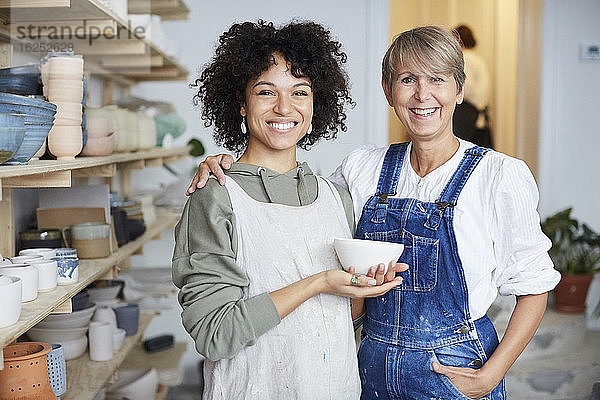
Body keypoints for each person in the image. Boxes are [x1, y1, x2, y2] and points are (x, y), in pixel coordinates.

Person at [187, 25, 561, 400]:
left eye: (438, 79)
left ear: (459, 89)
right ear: (388, 91)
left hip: (454, 370)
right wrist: (228, 168)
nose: (422, 95)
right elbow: (299, 210)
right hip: (368, 368)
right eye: (407, 79)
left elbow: (534, 286)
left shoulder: (499, 176)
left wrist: (490, 375)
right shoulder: (361, 170)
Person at [173, 20, 407, 400]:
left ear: (317, 103)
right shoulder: (216, 196)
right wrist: (319, 283)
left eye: (300, 92)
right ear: (241, 102)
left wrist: (361, 290)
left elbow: (341, 324)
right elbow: (215, 334)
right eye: (266, 91)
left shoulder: (336, 196)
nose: (285, 107)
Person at [452, 24, 493, 148]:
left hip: (465, 111)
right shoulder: (478, 59)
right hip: (476, 111)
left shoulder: (465, 58)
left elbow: (464, 86)